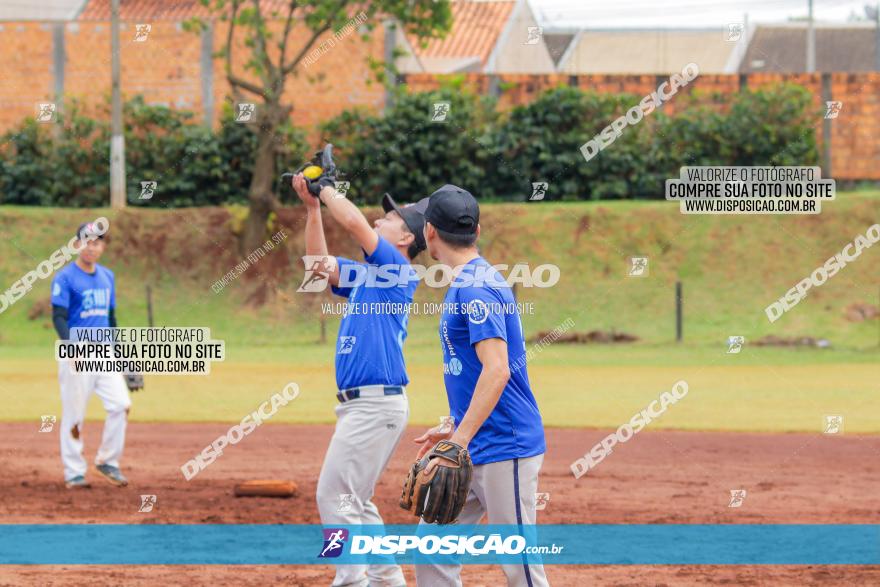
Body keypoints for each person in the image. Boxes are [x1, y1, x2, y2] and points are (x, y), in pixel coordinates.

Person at [292, 172, 428, 587]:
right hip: (363, 405)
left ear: (403, 240)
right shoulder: (369, 276)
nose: (378, 218)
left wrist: (328, 186)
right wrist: (314, 207)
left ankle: (351, 579)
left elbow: (352, 222)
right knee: (355, 499)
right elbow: (317, 271)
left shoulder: (395, 271)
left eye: (389, 219)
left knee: (333, 496)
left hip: (375, 404)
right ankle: (386, 579)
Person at [414, 185, 549, 587]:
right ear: (477, 228)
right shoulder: (471, 280)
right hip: (474, 443)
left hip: (504, 445)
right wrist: (457, 428)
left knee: (520, 567)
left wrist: (459, 440)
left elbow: (497, 371)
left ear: (430, 232)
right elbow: (477, 372)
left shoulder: (476, 286)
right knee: (432, 549)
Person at [51, 221, 131, 489]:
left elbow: (111, 319)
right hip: (77, 352)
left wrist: (123, 358)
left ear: (103, 247)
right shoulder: (65, 278)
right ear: (77, 245)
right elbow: (59, 317)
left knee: (121, 404)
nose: (91, 247)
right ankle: (74, 471)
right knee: (74, 414)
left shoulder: (107, 276)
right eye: (86, 241)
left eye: (97, 242)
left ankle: (107, 461)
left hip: (105, 351)